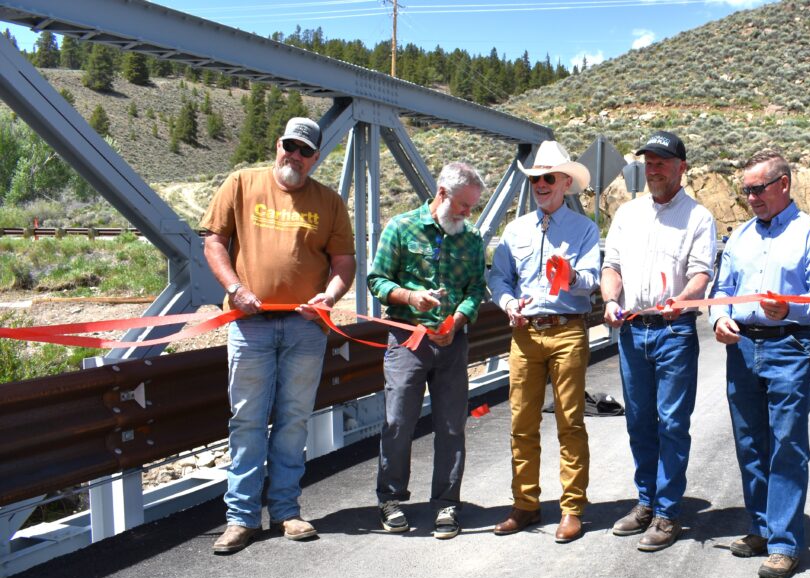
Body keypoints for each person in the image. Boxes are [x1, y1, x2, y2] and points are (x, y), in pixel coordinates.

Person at [200, 117, 356, 554]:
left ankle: (286, 511)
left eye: (307, 151)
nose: (297, 157)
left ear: (316, 158)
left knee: (293, 419)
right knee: (247, 420)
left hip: (306, 327)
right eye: (291, 146)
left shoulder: (328, 201)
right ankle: (241, 518)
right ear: (278, 144)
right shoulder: (242, 183)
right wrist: (236, 288)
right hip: (249, 326)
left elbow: (344, 262)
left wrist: (327, 296)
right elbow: (213, 242)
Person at [710, 149, 810, 578]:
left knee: (786, 445)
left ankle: (785, 542)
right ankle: (761, 527)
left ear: (784, 184)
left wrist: (792, 311)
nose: (751, 198)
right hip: (742, 347)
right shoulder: (741, 236)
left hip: (788, 347)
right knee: (750, 444)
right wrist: (718, 317)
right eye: (745, 191)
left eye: (758, 189)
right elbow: (720, 289)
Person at [601, 131, 715, 552]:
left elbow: (703, 273)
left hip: (673, 331)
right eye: (648, 161)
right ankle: (645, 502)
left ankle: (667, 513)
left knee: (671, 423)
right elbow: (611, 266)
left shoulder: (699, 218)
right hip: (632, 329)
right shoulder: (628, 215)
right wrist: (610, 299)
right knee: (639, 421)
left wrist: (683, 300)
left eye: (662, 161)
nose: (653, 168)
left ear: (681, 167)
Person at [487, 140, 600, 543]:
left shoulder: (585, 229)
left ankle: (572, 509)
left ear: (565, 182)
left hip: (567, 328)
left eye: (548, 177)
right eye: (535, 178)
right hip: (525, 332)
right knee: (521, 422)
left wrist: (571, 277)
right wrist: (506, 301)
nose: (540, 184)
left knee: (570, 422)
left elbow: (593, 280)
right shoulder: (515, 231)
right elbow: (498, 276)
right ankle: (525, 504)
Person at [367, 162, 487, 538]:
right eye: (464, 206)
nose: (468, 214)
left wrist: (458, 321)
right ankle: (390, 499)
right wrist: (410, 296)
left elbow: (475, 291)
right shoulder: (401, 228)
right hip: (408, 341)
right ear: (441, 193)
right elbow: (376, 280)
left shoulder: (471, 239)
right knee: (398, 422)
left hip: (452, 344)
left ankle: (447, 504)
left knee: (452, 426)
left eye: (473, 208)